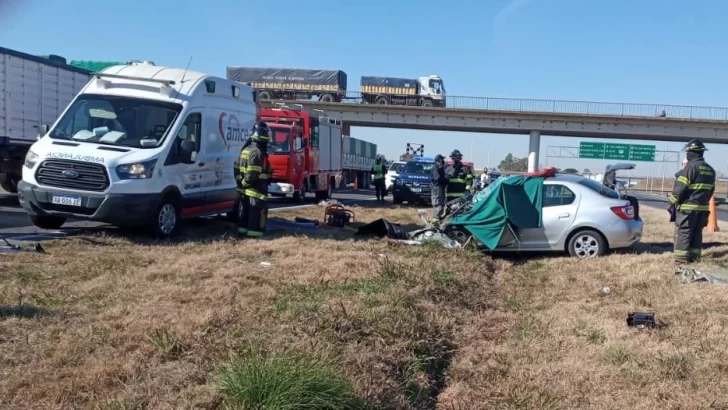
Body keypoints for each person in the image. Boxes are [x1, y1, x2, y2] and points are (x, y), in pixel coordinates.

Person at [668, 139, 715, 264]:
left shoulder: (690, 168)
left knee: (684, 233)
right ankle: (695, 258)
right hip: (702, 210)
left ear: (691, 152)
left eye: (688, 152)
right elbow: (710, 191)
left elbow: (679, 189)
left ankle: (681, 261)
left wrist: (672, 202)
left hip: (688, 210)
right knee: (697, 233)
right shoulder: (710, 170)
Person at [235, 121, 272, 238]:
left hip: (245, 193)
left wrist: (240, 182)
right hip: (255, 193)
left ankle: (242, 235)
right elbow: (252, 173)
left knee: (244, 216)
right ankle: (254, 239)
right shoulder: (257, 152)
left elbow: (236, 167)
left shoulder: (245, 150)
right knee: (255, 220)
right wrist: (245, 182)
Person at [431, 154, 448, 220]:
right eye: (442, 160)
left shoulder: (440, 168)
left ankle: (437, 220)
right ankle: (434, 223)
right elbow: (437, 178)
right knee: (439, 207)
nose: (443, 161)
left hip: (440, 189)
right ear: (438, 160)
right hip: (436, 189)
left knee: (441, 207)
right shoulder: (435, 168)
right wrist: (445, 179)